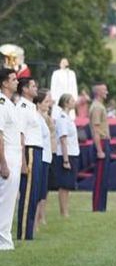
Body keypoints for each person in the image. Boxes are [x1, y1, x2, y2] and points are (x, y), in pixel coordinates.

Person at [16, 77, 43, 240]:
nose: (36, 88)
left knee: (34, 193)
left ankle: (29, 232)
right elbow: (21, 134)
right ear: (25, 89)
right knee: (27, 194)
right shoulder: (23, 107)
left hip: (37, 150)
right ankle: (24, 232)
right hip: (30, 150)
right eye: (33, 85)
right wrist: (23, 162)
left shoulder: (32, 107)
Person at [0, 68, 23, 250]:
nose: (17, 82)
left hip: (15, 154)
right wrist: (3, 163)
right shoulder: (1, 103)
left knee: (10, 199)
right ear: (4, 83)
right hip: (7, 155)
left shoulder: (10, 103)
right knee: (5, 200)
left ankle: (5, 237)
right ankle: (3, 240)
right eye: (14, 79)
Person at [55, 93, 80, 217]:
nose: (74, 102)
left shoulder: (68, 118)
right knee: (64, 185)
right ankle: (63, 211)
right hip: (67, 154)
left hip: (72, 153)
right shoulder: (62, 118)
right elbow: (63, 139)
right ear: (65, 103)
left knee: (68, 184)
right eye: (71, 100)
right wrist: (65, 159)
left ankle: (66, 210)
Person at [34, 89, 55, 231]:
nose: (49, 104)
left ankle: (38, 220)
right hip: (41, 157)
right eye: (46, 102)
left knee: (42, 192)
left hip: (46, 157)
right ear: (38, 104)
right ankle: (34, 223)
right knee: (37, 192)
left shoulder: (43, 118)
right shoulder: (37, 118)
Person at [89, 82, 111, 212]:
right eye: (104, 90)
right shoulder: (97, 107)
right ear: (98, 92)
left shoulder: (100, 106)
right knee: (100, 178)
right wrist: (99, 150)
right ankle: (97, 206)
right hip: (101, 142)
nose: (106, 92)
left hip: (104, 142)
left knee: (104, 177)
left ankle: (101, 206)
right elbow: (96, 129)